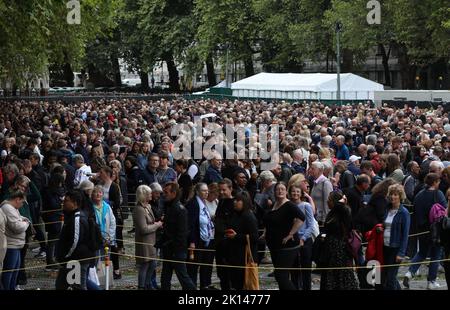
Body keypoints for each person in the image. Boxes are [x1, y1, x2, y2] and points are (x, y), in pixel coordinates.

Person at [404, 173, 446, 289]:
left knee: (422, 252)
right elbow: (444, 211)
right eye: (438, 181)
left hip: (422, 229)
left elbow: (416, 211)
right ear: (434, 182)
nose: (439, 183)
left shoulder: (419, 195)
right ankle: (431, 282)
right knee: (436, 255)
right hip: (436, 230)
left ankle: (409, 273)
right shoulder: (439, 194)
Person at [262, 182, 305, 290]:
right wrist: (265, 232)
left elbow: (301, 218)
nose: (280, 191)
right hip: (274, 245)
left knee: (281, 275)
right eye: (278, 189)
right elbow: (270, 220)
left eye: (282, 189)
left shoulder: (289, 205)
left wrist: (291, 233)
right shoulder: (274, 205)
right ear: (274, 191)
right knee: (281, 276)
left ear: (286, 192)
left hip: (287, 246)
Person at [159, 182, 196, 290]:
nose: (164, 194)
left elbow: (182, 233)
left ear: (173, 193)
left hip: (177, 250)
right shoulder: (169, 206)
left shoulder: (180, 210)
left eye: (166, 192)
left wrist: (176, 250)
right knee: (165, 277)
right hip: (168, 249)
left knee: (183, 278)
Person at [320, 191, 359, 290]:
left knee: (342, 276)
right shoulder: (332, 213)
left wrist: (341, 202)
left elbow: (341, 209)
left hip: (341, 249)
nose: (327, 202)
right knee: (331, 276)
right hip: (330, 248)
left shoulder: (345, 211)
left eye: (329, 200)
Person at [225, 192, 258, 290]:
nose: (235, 202)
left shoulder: (248, 216)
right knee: (235, 282)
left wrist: (236, 237)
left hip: (245, 256)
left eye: (238, 200)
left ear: (244, 202)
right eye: (234, 200)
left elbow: (255, 237)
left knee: (243, 283)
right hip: (234, 254)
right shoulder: (234, 214)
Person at [185, 183, 216, 289]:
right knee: (193, 266)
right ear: (197, 191)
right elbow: (191, 224)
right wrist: (192, 241)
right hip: (197, 240)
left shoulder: (203, 202)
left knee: (206, 264)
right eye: (203, 190)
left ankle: (205, 285)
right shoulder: (193, 204)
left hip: (207, 238)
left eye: (207, 190)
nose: (206, 192)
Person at [134, 185, 163, 290]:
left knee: (153, 263)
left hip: (152, 240)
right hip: (144, 241)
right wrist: (157, 225)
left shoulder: (148, 206)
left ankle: (147, 284)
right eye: (149, 193)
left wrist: (158, 221)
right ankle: (142, 286)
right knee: (145, 265)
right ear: (144, 195)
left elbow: (151, 222)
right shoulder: (139, 209)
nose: (151, 195)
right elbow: (144, 229)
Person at [382, 184, 410, 290]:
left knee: (390, 277)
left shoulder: (404, 213)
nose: (392, 197)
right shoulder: (387, 209)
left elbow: (405, 235)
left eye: (395, 195)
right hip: (385, 247)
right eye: (391, 194)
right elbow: (384, 224)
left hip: (395, 248)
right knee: (388, 277)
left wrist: (401, 253)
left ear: (400, 196)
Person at [0, 191, 29, 290]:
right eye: (22, 202)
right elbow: (17, 227)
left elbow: (19, 219)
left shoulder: (13, 208)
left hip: (16, 244)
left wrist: (23, 220)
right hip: (11, 245)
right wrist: (26, 223)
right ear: (17, 199)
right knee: (9, 271)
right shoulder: (7, 208)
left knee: (15, 270)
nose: (22, 205)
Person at [289, 184, 315, 290]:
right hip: (293, 239)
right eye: (293, 191)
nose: (295, 194)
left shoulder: (306, 205)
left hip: (305, 239)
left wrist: (303, 238)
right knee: (294, 268)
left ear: (301, 194)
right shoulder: (289, 205)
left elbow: (311, 225)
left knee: (306, 269)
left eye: (297, 192)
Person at [41, 173, 65, 271]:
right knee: (52, 241)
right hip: (53, 218)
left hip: (54, 217)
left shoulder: (50, 191)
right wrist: (61, 202)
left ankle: (52, 260)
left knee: (53, 240)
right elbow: (53, 204)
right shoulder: (51, 192)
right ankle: (50, 261)